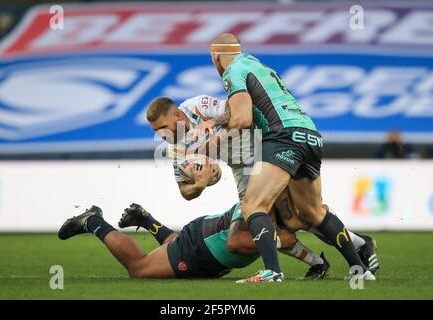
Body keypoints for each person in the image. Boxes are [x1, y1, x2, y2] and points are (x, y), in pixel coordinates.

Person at [194, 33, 375, 282]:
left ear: (216, 57)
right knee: (313, 213)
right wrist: (216, 121)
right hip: (310, 135)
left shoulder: (232, 72)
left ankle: (272, 272)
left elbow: (243, 119)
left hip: (283, 137)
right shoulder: (257, 65)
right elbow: (252, 108)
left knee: (253, 205)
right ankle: (360, 271)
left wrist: (214, 143)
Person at [146, 95, 379, 279]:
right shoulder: (174, 149)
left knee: (295, 217)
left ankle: (308, 264)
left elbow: (238, 112)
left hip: (262, 150)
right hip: (242, 170)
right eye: (156, 131)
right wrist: (201, 183)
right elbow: (185, 192)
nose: (161, 135)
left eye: (163, 127)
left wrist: (212, 121)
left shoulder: (197, 106)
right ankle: (352, 246)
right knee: (287, 220)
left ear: (177, 114)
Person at [57, 202, 328, 279]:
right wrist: (282, 242)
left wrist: (316, 262)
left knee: (173, 248)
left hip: (202, 242)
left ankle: (147, 219)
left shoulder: (265, 202)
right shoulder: (260, 209)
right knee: (139, 269)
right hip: (201, 248)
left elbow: (284, 240)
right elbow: (236, 243)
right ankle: (93, 221)